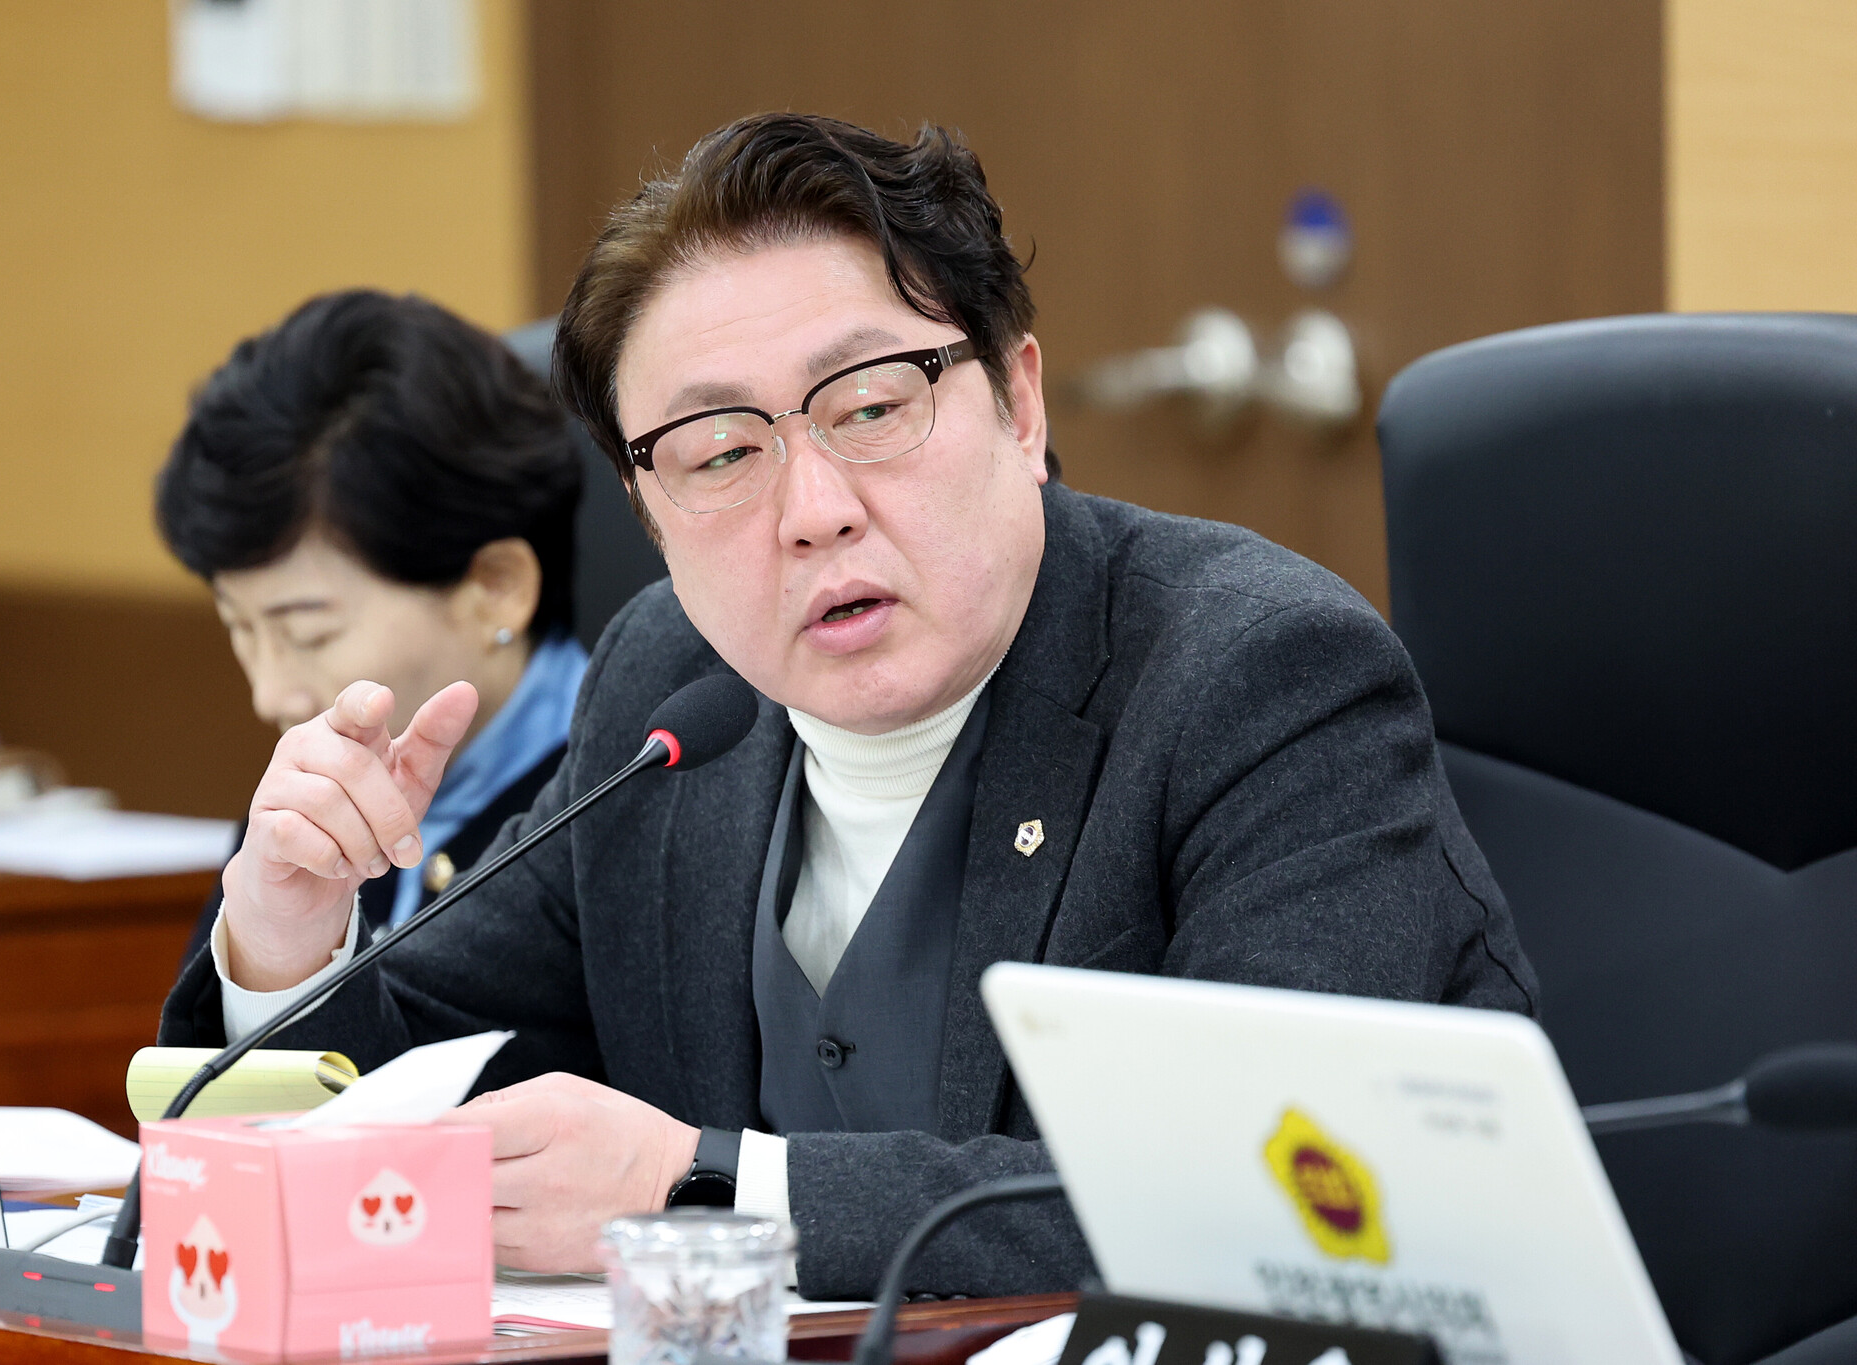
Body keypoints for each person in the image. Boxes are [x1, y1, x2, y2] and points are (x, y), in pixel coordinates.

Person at [160, 114, 1537, 1301]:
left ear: (1018, 404)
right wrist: (285, 939)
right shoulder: (673, 691)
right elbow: (423, 1072)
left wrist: (706, 1189)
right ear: (644, 509)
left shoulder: (1259, 674)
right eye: (719, 452)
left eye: (871, 408)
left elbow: (1273, 1194)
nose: (812, 510)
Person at [156, 289, 588, 957]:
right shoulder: (310, 804)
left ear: (497, 588)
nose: (270, 696)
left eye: (309, 634)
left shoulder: (620, 801)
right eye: (239, 628)